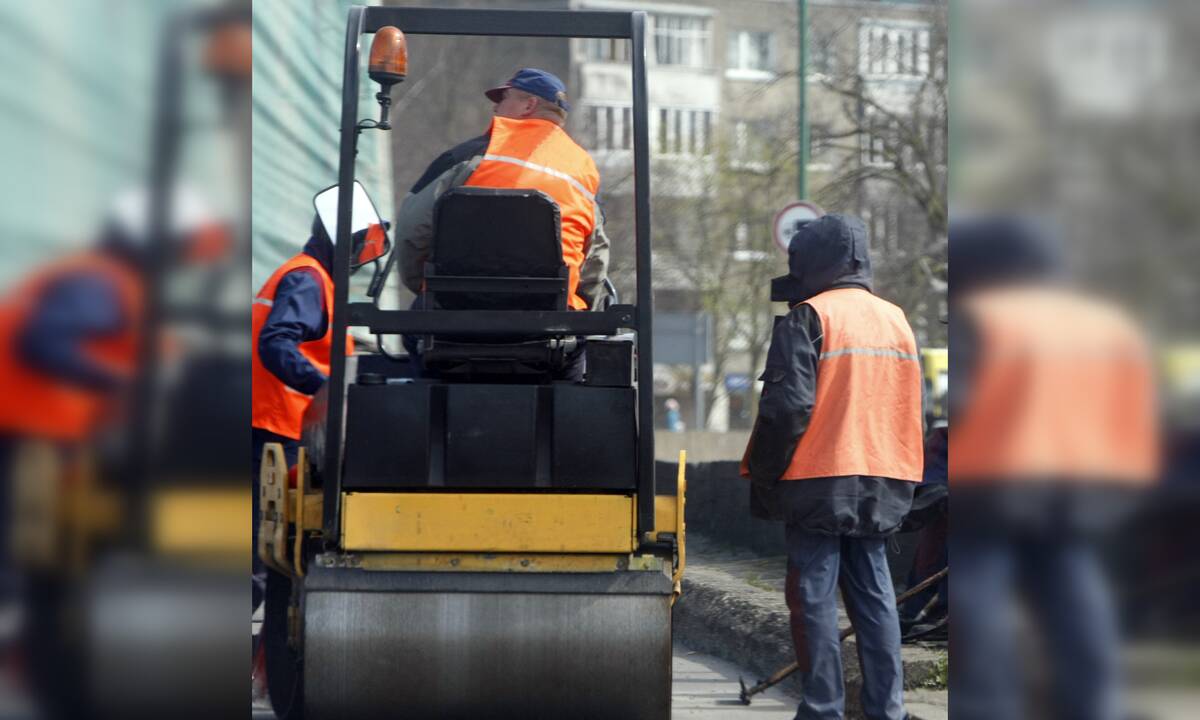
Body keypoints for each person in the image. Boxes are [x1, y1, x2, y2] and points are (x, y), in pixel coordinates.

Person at [949, 217, 1158, 720]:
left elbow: (959, 405)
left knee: (979, 608)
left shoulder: (984, 316)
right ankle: (1095, 704)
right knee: (1075, 595)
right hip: (1087, 486)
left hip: (991, 484)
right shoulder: (1108, 325)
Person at [742, 214, 923, 720]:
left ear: (811, 263)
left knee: (815, 595)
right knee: (875, 594)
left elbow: (786, 408)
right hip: (885, 474)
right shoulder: (897, 318)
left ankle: (823, 709)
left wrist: (765, 473)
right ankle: (887, 710)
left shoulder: (810, 316)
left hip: (821, 474)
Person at [395, 68, 611, 323]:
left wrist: (425, 288)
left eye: (504, 98)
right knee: (578, 358)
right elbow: (595, 255)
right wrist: (585, 311)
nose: (495, 108)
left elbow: (412, 229)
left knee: (415, 344)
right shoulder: (584, 170)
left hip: (453, 314)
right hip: (551, 320)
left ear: (528, 105)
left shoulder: (468, 158)